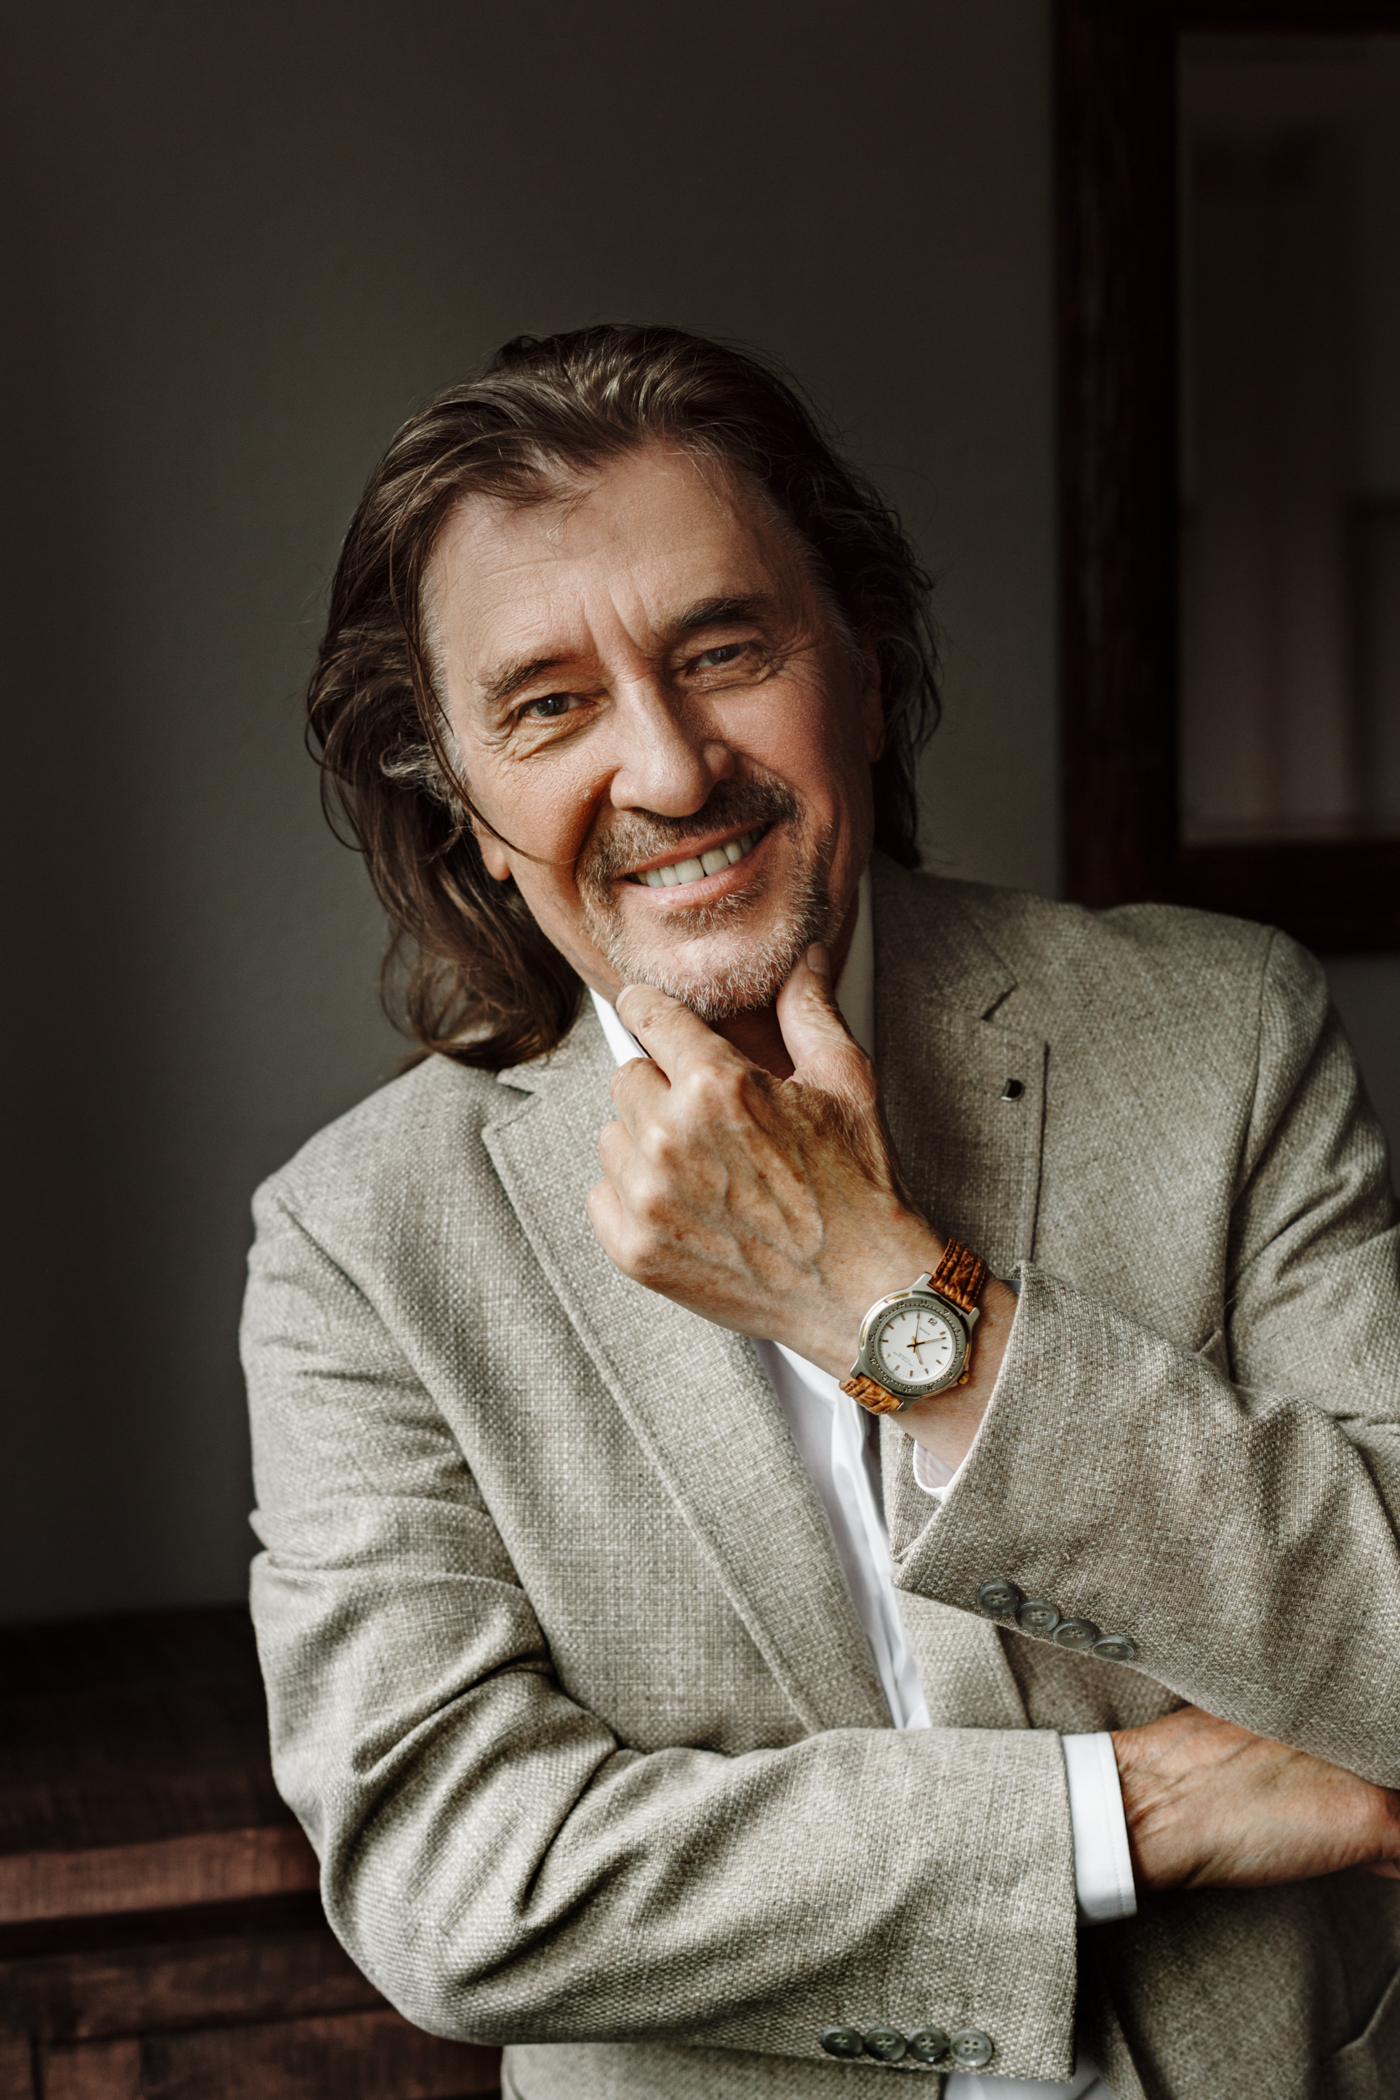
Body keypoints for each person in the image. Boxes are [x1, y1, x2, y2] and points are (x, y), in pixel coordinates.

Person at [243, 326, 1400, 2100]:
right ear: (462, 802)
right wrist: (1129, 1812)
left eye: (723, 651)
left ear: (862, 663)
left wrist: (890, 1304)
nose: (670, 769)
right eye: (548, 706)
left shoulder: (1224, 1034)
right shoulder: (360, 1244)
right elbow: (453, 1884)